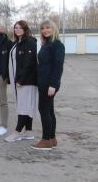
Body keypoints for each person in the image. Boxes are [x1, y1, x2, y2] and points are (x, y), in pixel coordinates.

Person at [31, 20, 65, 150]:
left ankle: (46, 141)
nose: (45, 30)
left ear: (53, 28)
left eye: (48, 28)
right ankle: (52, 139)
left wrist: (53, 84)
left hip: (49, 83)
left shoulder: (57, 45)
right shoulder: (46, 44)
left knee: (44, 110)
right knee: (49, 110)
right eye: (43, 28)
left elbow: (58, 67)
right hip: (43, 81)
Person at [5, 20, 38, 142]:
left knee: (23, 106)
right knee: (25, 105)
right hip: (17, 79)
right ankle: (28, 131)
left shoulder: (29, 42)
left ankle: (17, 132)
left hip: (26, 80)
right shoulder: (17, 42)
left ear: (25, 29)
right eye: (15, 28)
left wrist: (21, 79)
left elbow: (29, 63)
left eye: (19, 28)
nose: (17, 30)